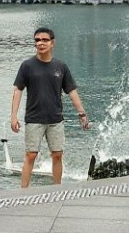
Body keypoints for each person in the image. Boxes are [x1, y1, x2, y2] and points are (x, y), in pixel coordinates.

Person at [10, 27, 90, 187]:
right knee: (31, 155)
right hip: (34, 119)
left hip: (56, 119)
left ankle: (57, 188)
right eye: (37, 40)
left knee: (57, 155)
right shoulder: (27, 66)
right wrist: (13, 116)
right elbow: (18, 90)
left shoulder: (61, 66)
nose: (40, 43)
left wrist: (82, 113)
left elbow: (71, 91)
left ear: (52, 43)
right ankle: (23, 191)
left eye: (44, 40)